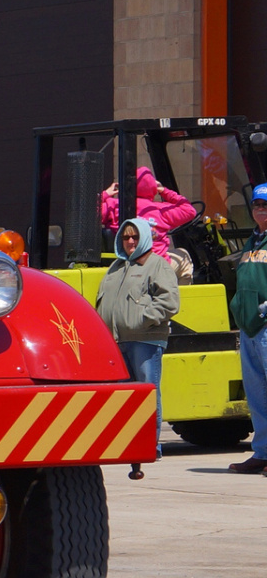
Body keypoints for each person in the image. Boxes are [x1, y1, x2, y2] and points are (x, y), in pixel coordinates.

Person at [95, 217, 179, 480]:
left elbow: (169, 301)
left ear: (143, 237)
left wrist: (142, 318)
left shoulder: (157, 265)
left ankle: (148, 446)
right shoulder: (116, 268)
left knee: (147, 393)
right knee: (124, 397)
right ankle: (127, 445)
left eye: (134, 237)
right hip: (117, 342)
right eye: (125, 237)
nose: (130, 242)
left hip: (145, 340)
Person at [227, 184, 267, 475]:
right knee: (256, 396)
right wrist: (238, 306)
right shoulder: (252, 242)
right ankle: (263, 452)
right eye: (257, 205)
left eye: (266, 205)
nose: (261, 210)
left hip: (265, 324)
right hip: (249, 328)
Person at [99, 166, 197, 266]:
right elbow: (190, 211)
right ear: (153, 188)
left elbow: (87, 214)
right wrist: (163, 191)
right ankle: (176, 282)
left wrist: (105, 194)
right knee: (184, 256)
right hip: (156, 265)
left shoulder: (114, 206)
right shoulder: (161, 210)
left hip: (123, 262)